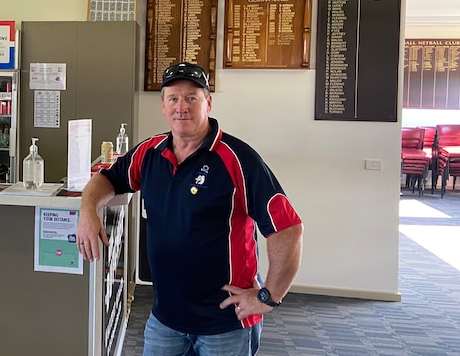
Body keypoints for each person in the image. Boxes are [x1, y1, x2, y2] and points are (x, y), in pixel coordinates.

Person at [77, 62, 303, 356]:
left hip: (225, 322)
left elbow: (287, 228)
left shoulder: (237, 159)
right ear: (163, 106)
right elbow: (108, 178)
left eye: (191, 98)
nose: (180, 107)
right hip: (165, 320)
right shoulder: (149, 152)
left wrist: (269, 296)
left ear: (208, 103)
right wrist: (88, 210)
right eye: (173, 98)